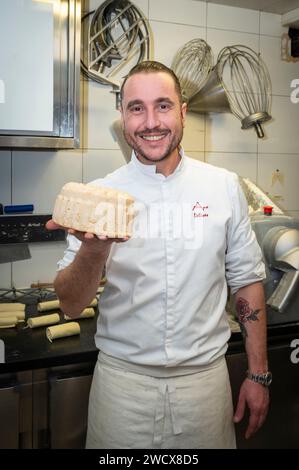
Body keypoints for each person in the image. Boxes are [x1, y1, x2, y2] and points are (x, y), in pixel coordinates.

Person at [46, 61, 270, 449]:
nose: (151, 121)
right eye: (137, 108)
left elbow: (247, 281)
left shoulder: (222, 187)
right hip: (122, 389)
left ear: (182, 112)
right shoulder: (99, 195)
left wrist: (258, 373)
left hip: (205, 387)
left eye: (163, 106)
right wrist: (93, 249)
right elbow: (69, 305)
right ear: (123, 115)